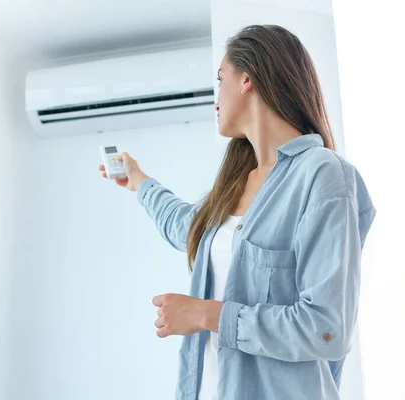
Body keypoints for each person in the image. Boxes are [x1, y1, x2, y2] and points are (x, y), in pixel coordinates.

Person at [98, 25, 375, 400]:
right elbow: (188, 228)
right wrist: (139, 182)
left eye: (220, 79)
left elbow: (326, 328)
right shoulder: (237, 182)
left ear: (247, 79)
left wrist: (205, 315)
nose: (215, 97)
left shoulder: (324, 174)